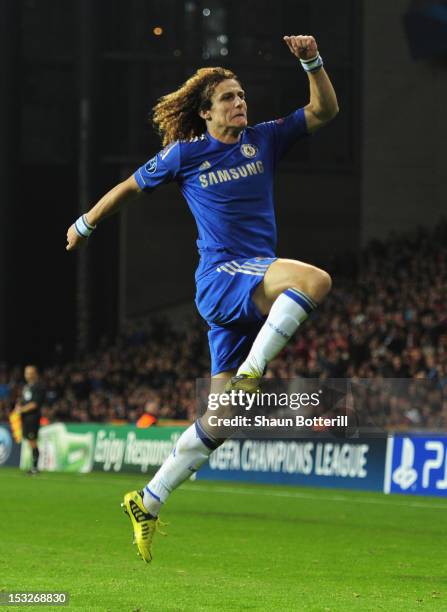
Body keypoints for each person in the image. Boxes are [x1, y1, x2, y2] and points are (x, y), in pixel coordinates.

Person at [66, 34, 338, 562]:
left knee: (222, 418)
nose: (241, 103)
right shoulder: (185, 155)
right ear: (206, 112)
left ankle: (149, 498)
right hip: (222, 276)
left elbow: (323, 110)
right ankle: (254, 368)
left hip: (249, 279)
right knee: (315, 281)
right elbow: (126, 189)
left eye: (241, 95)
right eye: (229, 98)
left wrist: (312, 62)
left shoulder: (264, 139)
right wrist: (85, 223)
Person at [13, 365, 45, 474]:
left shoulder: (38, 387)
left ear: (35, 374)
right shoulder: (27, 387)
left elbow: (34, 404)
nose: (27, 375)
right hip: (25, 418)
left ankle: (35, 467)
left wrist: (21, 409)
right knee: (30, 441)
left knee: (33, 441)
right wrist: (18, 405)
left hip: (33, 417)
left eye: (30, 373)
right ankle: (33, 467)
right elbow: (24, 400)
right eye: (26, 373)